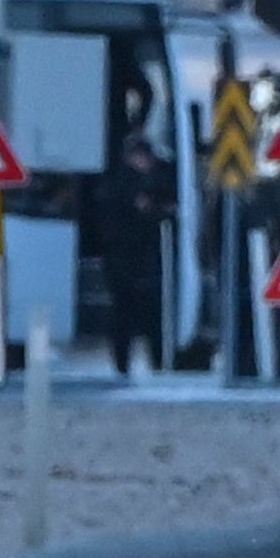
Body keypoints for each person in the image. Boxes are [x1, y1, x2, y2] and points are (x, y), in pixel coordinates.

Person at [95, 133, 176, 377]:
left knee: (131, 315)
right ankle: (141, 363)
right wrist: (160, 211)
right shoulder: (125, 184)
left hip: (129, 260)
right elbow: (146, 212)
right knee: (133, 314)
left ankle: (134, 364)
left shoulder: (121, 181)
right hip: (129, 260)